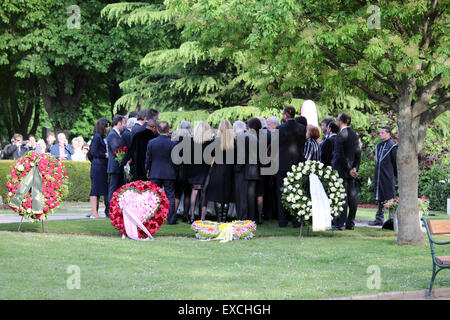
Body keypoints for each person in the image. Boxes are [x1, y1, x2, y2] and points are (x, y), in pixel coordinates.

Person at [276, 106, 306, 228]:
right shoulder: (302, 129)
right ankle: (296, 220)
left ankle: (282, 220)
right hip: (297, 163)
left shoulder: (279, 128)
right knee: (296, 191)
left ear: (285, 116)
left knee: (281, 192)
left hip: (282, 163)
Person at [332, 113, 361, 230]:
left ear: (341, 121)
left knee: (342, 197)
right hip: (351, 170)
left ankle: (340, 224)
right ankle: (350, 222)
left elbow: (340, 155)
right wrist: (355, 168)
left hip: (342, 170)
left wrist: (349, 170)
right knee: (352, 196)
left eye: (338, 119)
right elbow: (358, 154)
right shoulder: (355, 135)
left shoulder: (340, 135)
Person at [145, 121, 178, 224]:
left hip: (155, 172)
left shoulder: (151, 142)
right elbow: (176, 161)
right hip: (169, 172)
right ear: (168, 131)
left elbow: (148, 159)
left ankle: (153, 217)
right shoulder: (173, 144)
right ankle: (171, 219)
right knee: (170, 196)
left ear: (158, 131)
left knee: (154, 195)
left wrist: (147, 170)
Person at [206, 120, 235, 223]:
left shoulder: (216, 141)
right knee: (227, 196)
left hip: (218, 170)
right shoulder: (234, 142)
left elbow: (209, 155)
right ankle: (224, 219)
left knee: (217, 196)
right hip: (230, 171)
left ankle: (219, 220)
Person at [370, 125, 398, 226]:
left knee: (389, 198)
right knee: (380, 198)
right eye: (380, 132)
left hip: (388, 176)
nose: (380, 134)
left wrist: (394, 175)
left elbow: (395, 163)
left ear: (388, 134)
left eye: (382, 132)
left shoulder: (392, 146)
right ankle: (379, 218)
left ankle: (392, 220)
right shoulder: (379, 145)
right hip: (379, 176)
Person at [187, 121, 214, 222]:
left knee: (194, 191)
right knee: (204, 193)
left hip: (194, 168)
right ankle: (202, 217)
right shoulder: (210, 143)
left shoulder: (191, 141)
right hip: (205, 169)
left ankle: (192, 215)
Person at [88, 118, 111, 219]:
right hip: (98, 166)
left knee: (99, 189)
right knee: (95, 190)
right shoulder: (97, 137)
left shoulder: (102, 137)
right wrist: (104, 155)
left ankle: (95, 212)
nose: (108, 128)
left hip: (101, 166)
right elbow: (93, 152)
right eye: (107, 126)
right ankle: (94, 212)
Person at [171, 120, 193, 223]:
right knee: (187, 194)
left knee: (177, 194)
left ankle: (174, 214)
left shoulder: (174, 141)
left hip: (176, 170)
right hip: (188, 170)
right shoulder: (192, 142)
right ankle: (185, 215)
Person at [106, 114, 126, 217]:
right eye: (123, 123)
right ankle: (111, 211)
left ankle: (115, 210)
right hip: (114, 166)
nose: (124, 125)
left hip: (117, 166)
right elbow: (117, 150)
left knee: (116, 189)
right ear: (118, 123)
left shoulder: (116, 134)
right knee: (113, 189)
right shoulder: (113, 134)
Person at [246, 118, 265, 224]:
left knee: (251, 193)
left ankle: (251, 216)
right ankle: (260, 216)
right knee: (259, 194)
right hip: (261, 168)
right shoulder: (263, 138)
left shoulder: (249, 138)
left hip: (251, 169)